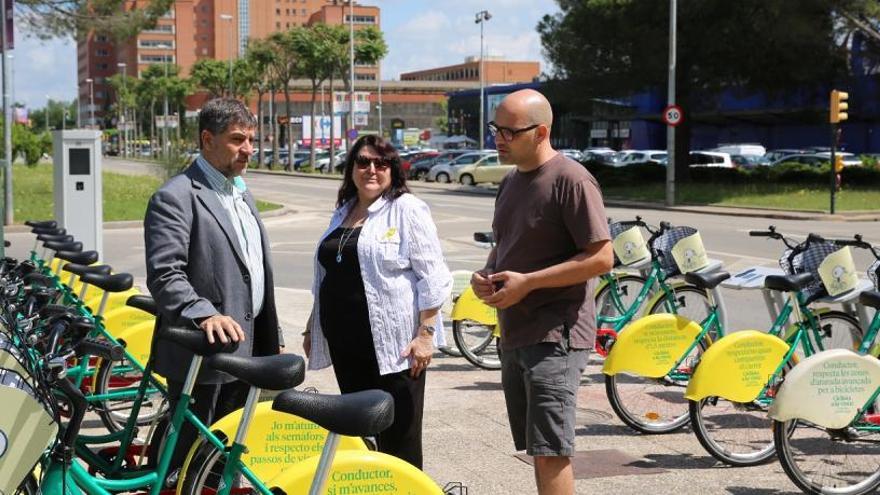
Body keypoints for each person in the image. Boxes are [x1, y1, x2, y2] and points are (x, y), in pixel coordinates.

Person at [471, 89, 613, 495]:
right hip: (517, 329)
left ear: (541, 132)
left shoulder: (571, 179)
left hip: (556, 336)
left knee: (551, 449)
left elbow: (603, 258)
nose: (498, 138)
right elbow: (505, 244)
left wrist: (529, 283)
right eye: (495, 129)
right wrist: (487, 274)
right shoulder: (512, 181)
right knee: (538, 447)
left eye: (509, 132)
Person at [144, 98, 284, 480]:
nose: (249, 149)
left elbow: (254, 272)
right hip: (203, 358)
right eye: (238, 139)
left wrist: (274, 332)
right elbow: (164, 275)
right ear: (208, 139)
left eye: (252, 140)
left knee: (228, 461)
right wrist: (204, 313)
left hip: (247, 352)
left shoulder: (240, 193)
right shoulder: (176, 197)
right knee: (191, 463)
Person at [303, 134, 452, 469]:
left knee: (399, 437)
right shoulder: (343, 210)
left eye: (381, 163)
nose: (372, 169)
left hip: (395, 348)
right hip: (347, 346)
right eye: (363, 161)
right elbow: (326, 276)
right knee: (360, 433)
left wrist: (425, 335)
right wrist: (313, 325)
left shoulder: (406, 209)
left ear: (393, 169)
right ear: (351, 168)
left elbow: (434, 277)